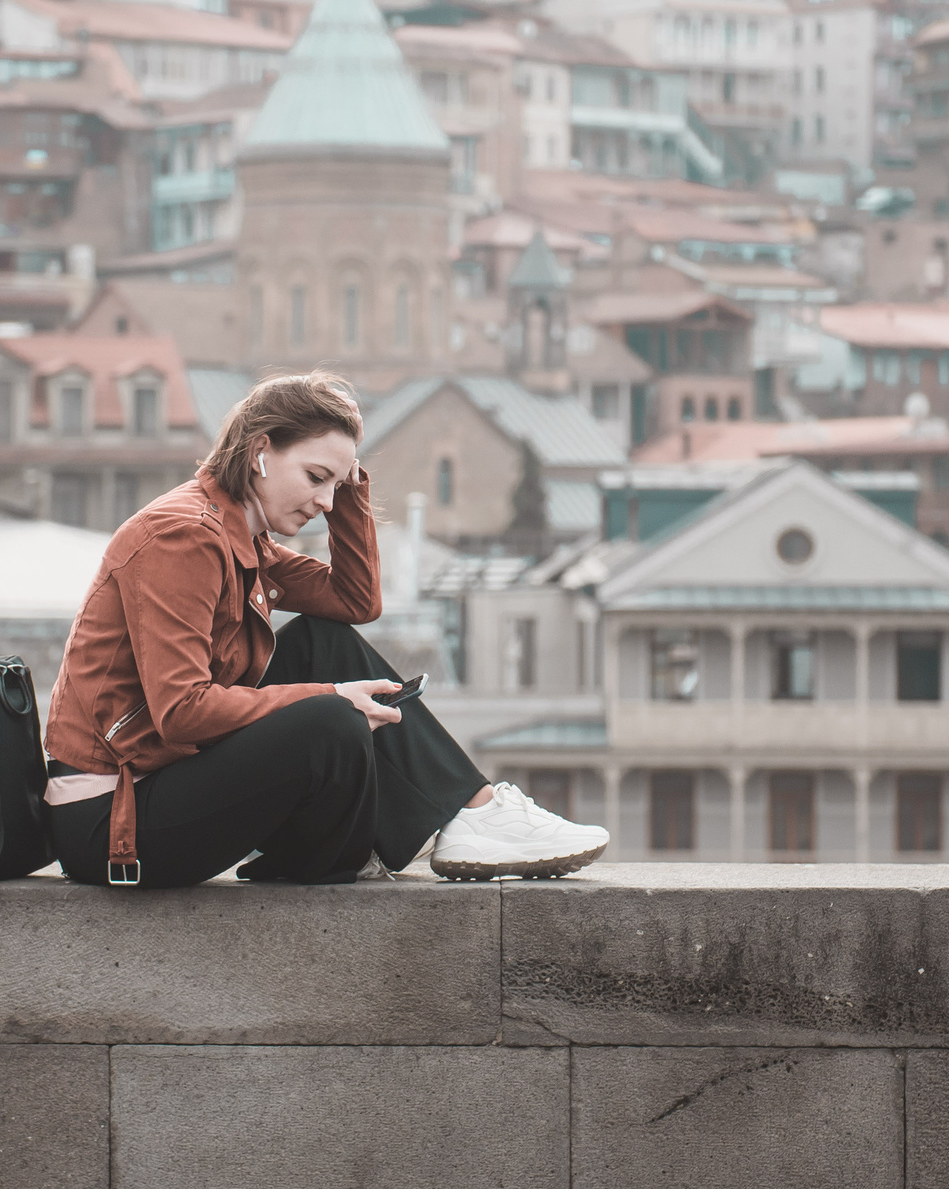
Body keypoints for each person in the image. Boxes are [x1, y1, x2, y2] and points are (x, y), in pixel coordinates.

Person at [42, 371, 608, 888]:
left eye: (336, 485)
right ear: (261, 451)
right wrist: (332, 697)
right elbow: (182, 711)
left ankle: (473, 812)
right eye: (315, 478)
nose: (324, 500)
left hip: (163, 783)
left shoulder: (243, 538)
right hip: (114, 820)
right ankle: (461, 819)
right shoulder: (184, 537)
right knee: (332, 719)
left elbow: (354, 601)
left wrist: (349, 488)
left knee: (323, 643)